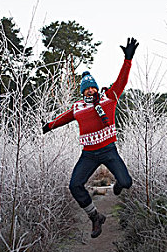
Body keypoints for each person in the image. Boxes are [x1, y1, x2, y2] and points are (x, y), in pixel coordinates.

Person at [42, 37, 139, 238]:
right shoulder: (78, 106)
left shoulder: (109, 97)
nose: (90, 90)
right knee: (74, 185)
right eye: (86, 89)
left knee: (126, 183)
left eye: (92, 87)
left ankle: (118, 183)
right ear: (82, 91)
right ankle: (95, 217)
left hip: (109, 150)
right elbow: (65, 118)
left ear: (96, 87)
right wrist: (49, 126)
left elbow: (122, 80)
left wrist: (127, 59)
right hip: (89, 154)